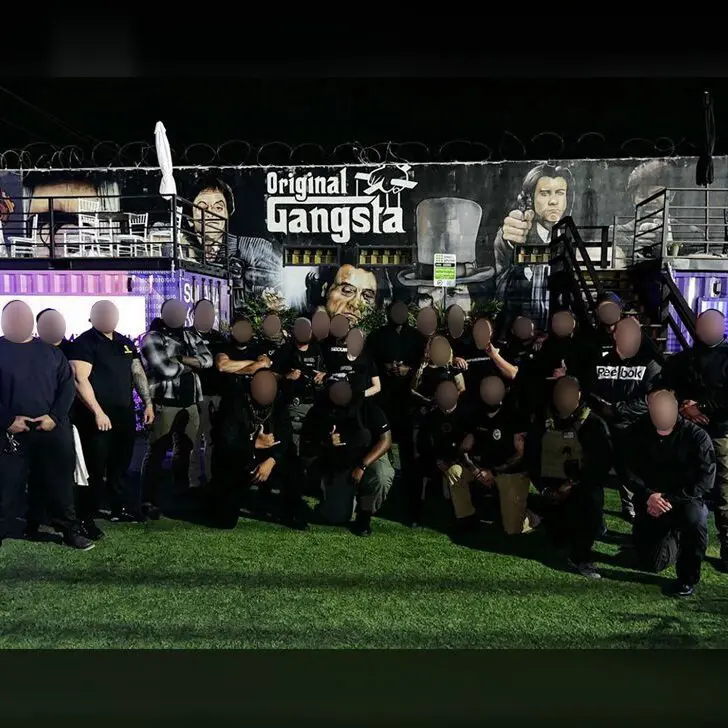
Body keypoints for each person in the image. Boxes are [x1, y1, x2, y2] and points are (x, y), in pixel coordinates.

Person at [0, 300, 92, 550]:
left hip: (51, 431)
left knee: (60, 485)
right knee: (6, 486)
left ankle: (68, 530)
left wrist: (54, 417)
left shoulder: (52, 352)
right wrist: (8, 421)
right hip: (10, 435)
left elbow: (66, 388)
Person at [69, 300, 154, 529]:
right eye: (102, 313)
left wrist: (148, 403)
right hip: (95, 417)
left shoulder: (124, 342)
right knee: (94, 467)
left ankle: (119, 508)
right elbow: (80, 380)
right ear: (91, 317)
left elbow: (137, 373)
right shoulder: (84, 343)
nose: (107, 317)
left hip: (123, 415)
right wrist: (97, 412)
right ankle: (87, 511)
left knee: (121, 463)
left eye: (111, 313)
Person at [625, 388, 715, 597]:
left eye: (666, 410)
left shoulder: (696, 437)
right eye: (657, 410)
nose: (662, 415)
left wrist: (667, 499)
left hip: (684, 500)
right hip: (650, 500)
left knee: (696, 519)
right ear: (650, 410)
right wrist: (648, 496)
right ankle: (670, 539)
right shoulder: (636, 432)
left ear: (676, 410)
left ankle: (687, 578)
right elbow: (626, 469)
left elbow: (705, 481)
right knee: (651, 563)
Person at [659, 308, 728, 572]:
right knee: (683, 485)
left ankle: (727, 546)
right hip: (687, 433)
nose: (707, 328)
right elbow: (666, 387)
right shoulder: (683, 359)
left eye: (713, 323)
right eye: (703, 324)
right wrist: (685, 408)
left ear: (722, 327)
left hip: (721, 432)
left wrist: (704, 408)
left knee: (724, 491)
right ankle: (674, 540)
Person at [525, 376, 612, 579]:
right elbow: (531, 457)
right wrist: (546, 489)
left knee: (592, 498)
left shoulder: (593, 423)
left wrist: (572, 484)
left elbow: (601, 466)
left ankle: (582, 556)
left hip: (580, 486)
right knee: (558, 539)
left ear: (579, 394)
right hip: (552, 487)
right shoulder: (542, 419)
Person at [210, 369, 308, 531]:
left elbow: (286, 437)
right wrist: (253, 444)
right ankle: (217, 500)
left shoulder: (279, 403)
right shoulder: (234, 403)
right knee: (226, 522)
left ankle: (292, 511)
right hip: (239, 459)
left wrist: (271, 460)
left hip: (269, 458)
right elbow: (225, 442)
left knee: (295, 467)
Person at [140, 299, 212, 517]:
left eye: (180, 311)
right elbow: (165, 369)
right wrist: (191, 363)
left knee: (185, 451)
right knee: (156, 452)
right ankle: (148, 499)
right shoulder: (152, 337)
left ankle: (179, 492)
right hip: (164, 404)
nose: (176, 315)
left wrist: (179, 358)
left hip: (190, 404)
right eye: (171, 311)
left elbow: (208, 360)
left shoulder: (191, 335)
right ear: (163, 313)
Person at [586, 316, 661, 521]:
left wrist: (617, 409)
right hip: (603, 431)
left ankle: (634, 511)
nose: (632, 337)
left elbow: (652, 399)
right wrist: (603, 410)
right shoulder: (599, 363)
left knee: (635, 476)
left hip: (635, 431)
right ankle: (594, 520)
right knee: (593, 479)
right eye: (627, 332)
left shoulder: (650, 365)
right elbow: (590, 394)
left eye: (636, 333)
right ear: (615, 335)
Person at [300, 380, 394, 535]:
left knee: (381, 476)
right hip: (339, 462)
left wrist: (362, 466)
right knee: (335, 516)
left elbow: (386, 440)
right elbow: (307, 446)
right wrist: (326, 443)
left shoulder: (367, 406)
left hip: (369, 457)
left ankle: (365, 515)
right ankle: (337, 500)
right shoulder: (319, 411)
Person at [459, 375, 538, 535]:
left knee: (513, 530)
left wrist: (494, 472)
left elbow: (520, 454)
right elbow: (464, 449)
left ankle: (532, 516)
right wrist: (474, 470)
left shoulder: (515, 416)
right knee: (455, 472)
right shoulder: (475, 415)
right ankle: (466, 516)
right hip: (483, 468)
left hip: (510, 472)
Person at [367, 301, 423, 520]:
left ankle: (412, 507)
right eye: (395, 310)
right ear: (388, 313)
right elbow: (369, 362)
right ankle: (381, 491)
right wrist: (386, 369)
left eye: (403, 310)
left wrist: (409, 369)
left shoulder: (417, 337)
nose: (399, 313)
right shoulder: (377, 335)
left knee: (410, 455)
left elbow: (424, 363)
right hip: (384, 402)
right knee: (382, 447)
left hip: (409, 404)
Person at [415, 380, 472, 529]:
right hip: (435, 459)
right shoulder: (429, 417)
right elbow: (423, 444)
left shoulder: (467, 415)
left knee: (456, 473)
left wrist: (456, 460)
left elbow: (470, 445)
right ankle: (418, 512)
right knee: (417, 470)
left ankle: (464, 516)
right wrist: (437, 460)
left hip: (460, 461)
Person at [188, 299, 227, 489]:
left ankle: (213, 478)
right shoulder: (186, 337)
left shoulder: (220, 338)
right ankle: (193, 481)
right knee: (193, 440)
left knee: (214, 439)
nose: (207, 316)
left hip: (217, 397)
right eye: (202, 311)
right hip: (195, 397)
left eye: (210, 312)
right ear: (193, 314)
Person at [272, 316, 326, 449]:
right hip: (293, 405)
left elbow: (329, 370)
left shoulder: (318, 349)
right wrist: (286, 376)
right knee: (292, 446)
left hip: (315, 404)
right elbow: (271, 375)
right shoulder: (285, 350)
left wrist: (324, 375)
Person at [461, 317, 517, 400]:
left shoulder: (501, 347)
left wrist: (495, 356)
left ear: (491, 332)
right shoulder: (466, 349)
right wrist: (457, 360)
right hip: (474, 398)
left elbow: (512, 373)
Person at [411, 336, 466, 407]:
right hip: (427, 409)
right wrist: (427, 401)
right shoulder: (422, 367)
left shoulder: (452, 366)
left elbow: (461, 388)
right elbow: (413, 390)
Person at [327, 327, 380, 398]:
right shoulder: (338, 359)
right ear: (347, 340)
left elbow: (377, 386)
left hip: (360, 403)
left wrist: (361, 395)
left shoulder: (368, 359)